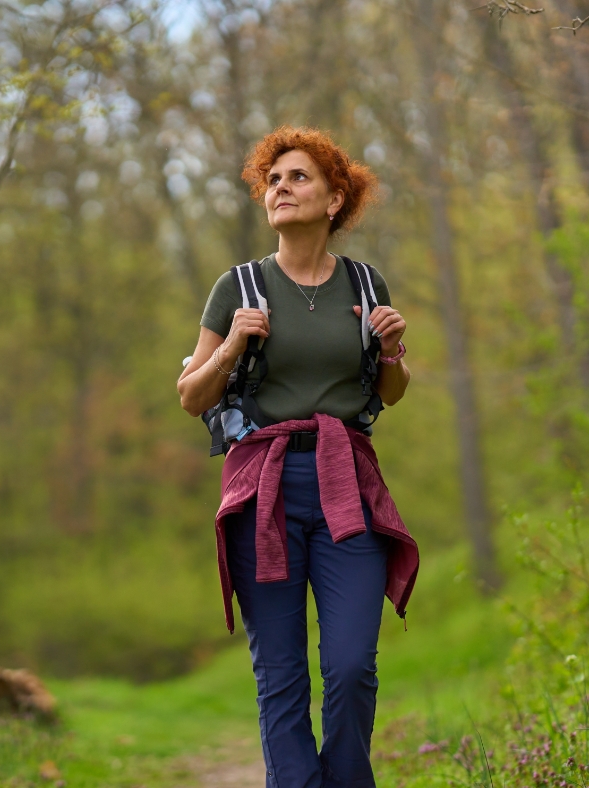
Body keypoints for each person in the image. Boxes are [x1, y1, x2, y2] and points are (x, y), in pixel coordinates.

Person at [177, 126, 420, 788]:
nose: (280, 188)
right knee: (280, 670)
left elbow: (389, 394)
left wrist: (394, 349)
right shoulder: (239, 288)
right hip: (265, 488)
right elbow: (190, 395)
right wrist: (229, 349)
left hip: (347, 483)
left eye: (298, 177)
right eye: (273, 180)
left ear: (335, 198)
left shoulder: (367, 284)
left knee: (350, 664)